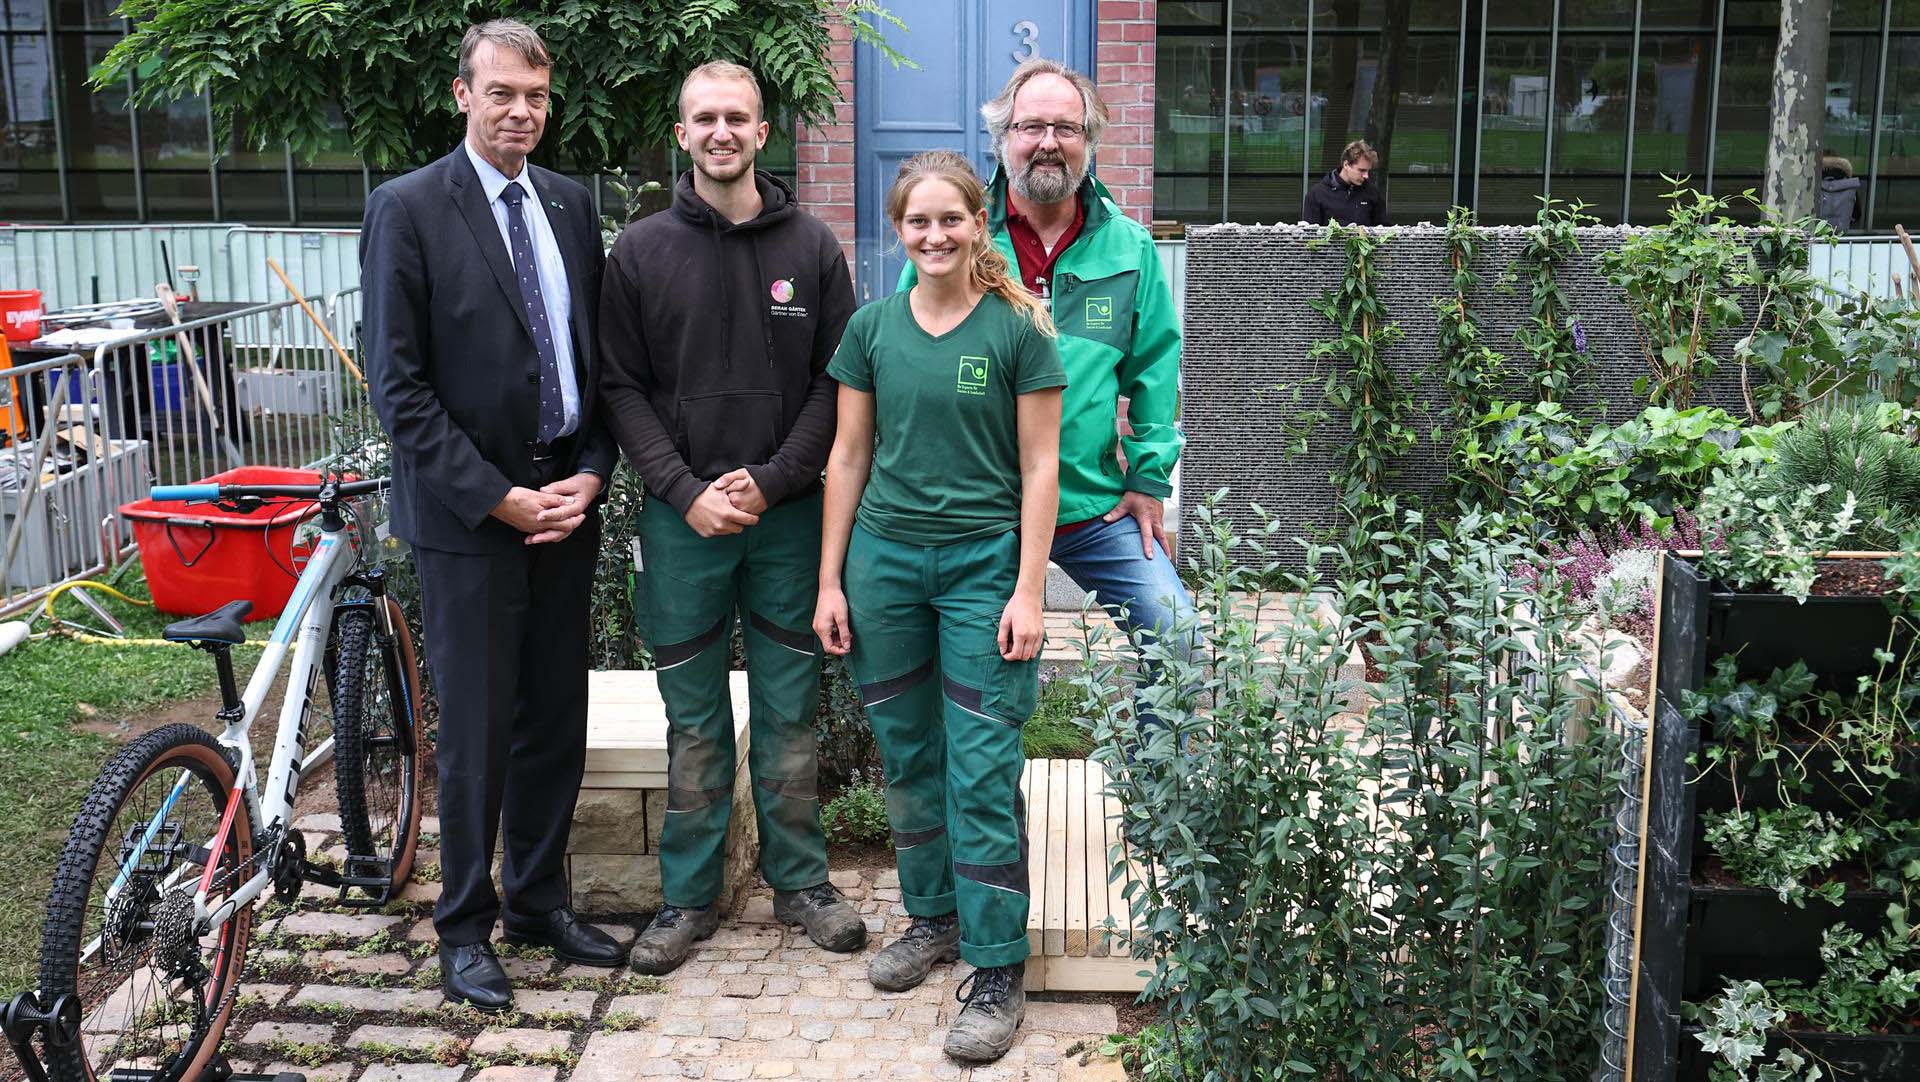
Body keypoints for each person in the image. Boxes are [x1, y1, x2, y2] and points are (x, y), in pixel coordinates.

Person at [362, 18, 626, 1012]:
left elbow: (591, 366)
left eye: (537, 97)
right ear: (463, 95)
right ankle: (464, 923)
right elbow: (399, 389)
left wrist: (591, 473)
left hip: (565, 502)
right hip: (470, 516)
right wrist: (494, 494)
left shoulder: (568, 203)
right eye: (504, 93)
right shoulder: (409, 209)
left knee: (556, 714)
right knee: (473, 728)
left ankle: (538, 898)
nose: (523, 111)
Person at [598, 61, 864, 975]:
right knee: (695, 720)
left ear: (762, 132)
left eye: (738, 118)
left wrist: (778, 476)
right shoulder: (640, 253)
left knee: (792, 713)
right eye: (704, 118)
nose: (721, 132)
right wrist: (681, 489)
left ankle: (801, 886)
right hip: (683, 525)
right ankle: (689, 897)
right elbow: (622, 388)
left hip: (788, 518)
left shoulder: (815, 250)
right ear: (683, 134)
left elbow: (840, 384)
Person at [816, 150, 1065, 1065]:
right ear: (898, 232)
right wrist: (831, 580)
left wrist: (1030, 590)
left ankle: (998, 967)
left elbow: (1042, 468)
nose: (934, 235)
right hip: (884, 566)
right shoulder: (871, 330)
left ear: (977, 225)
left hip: (981, 570)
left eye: (949, 220)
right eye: (917, 222)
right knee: (910, 756)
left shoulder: (1016, 331)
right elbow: (846, 458)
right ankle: (931, 919)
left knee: (982, 761)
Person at [901, 58, 1194, 740]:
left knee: (1175, 636)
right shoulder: (959, 236)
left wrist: (1148, 480)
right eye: (1031, 125)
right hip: (982, 507)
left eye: (1066, 127)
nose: (1047, 141)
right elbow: (907, 354)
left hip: (1090, 503)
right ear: (1002, 139)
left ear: (1089, 143)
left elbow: (1156, 368)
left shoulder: (1129, 248)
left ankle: (1158, 810)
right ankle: (990, 837)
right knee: (984, 673)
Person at [1304, 139, 1387, 226]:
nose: (1366, 176)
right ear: (1346, 165)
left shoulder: (1372, 192)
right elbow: (1311, 234)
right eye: (1362, 170)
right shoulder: (1317, 193)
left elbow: (1382, 230)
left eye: (1368, 171)